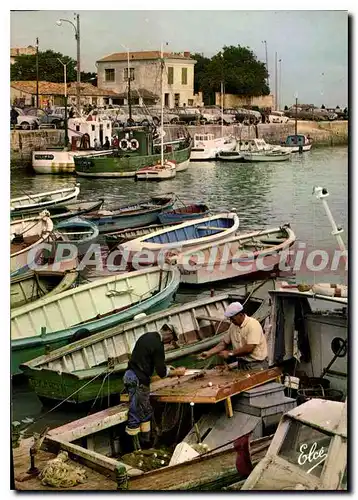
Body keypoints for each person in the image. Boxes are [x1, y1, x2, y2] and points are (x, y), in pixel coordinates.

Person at [123, 325, 184, 450]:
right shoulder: (158, 345)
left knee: (143, 411)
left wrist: (167, 368)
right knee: (139, 413)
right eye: (171, 339)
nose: (169, 343)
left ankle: (143, 445)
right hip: (139, 381)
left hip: (129, 375)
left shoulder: (147, 336)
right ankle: (138, 449)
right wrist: (177, 372)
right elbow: (161, 373)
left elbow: (147, 360)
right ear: (168, 332)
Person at [197, 302, 268, 371]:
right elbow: (224, 343)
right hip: (242, 363)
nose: (231, 321)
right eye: (230, 319)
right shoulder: (233, 326)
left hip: (256, 365)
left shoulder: (253, 325)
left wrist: (230, 353)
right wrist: (209, 353)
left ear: (240, 315)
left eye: (232, 318)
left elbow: (249, 348)